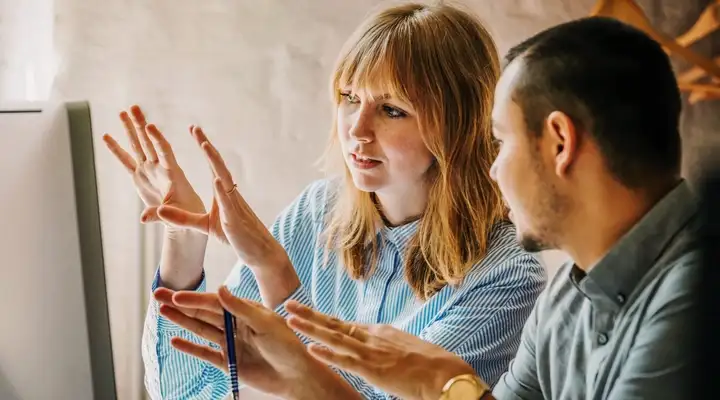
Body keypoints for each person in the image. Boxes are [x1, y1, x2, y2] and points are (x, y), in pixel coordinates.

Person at [103, 3, 546, 399]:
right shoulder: (316, 212)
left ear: (458, 125)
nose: (357, 129)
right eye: (349, 98)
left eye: (392, 109)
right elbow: (193, 393)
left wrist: (274, 272)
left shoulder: (506, 273)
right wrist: (183, 240)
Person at [280, 15, 703, 400]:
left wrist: (442, 384)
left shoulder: (697, 298)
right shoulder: (566, 298)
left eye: (501, 142)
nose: (493, 169)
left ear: (560, 143)